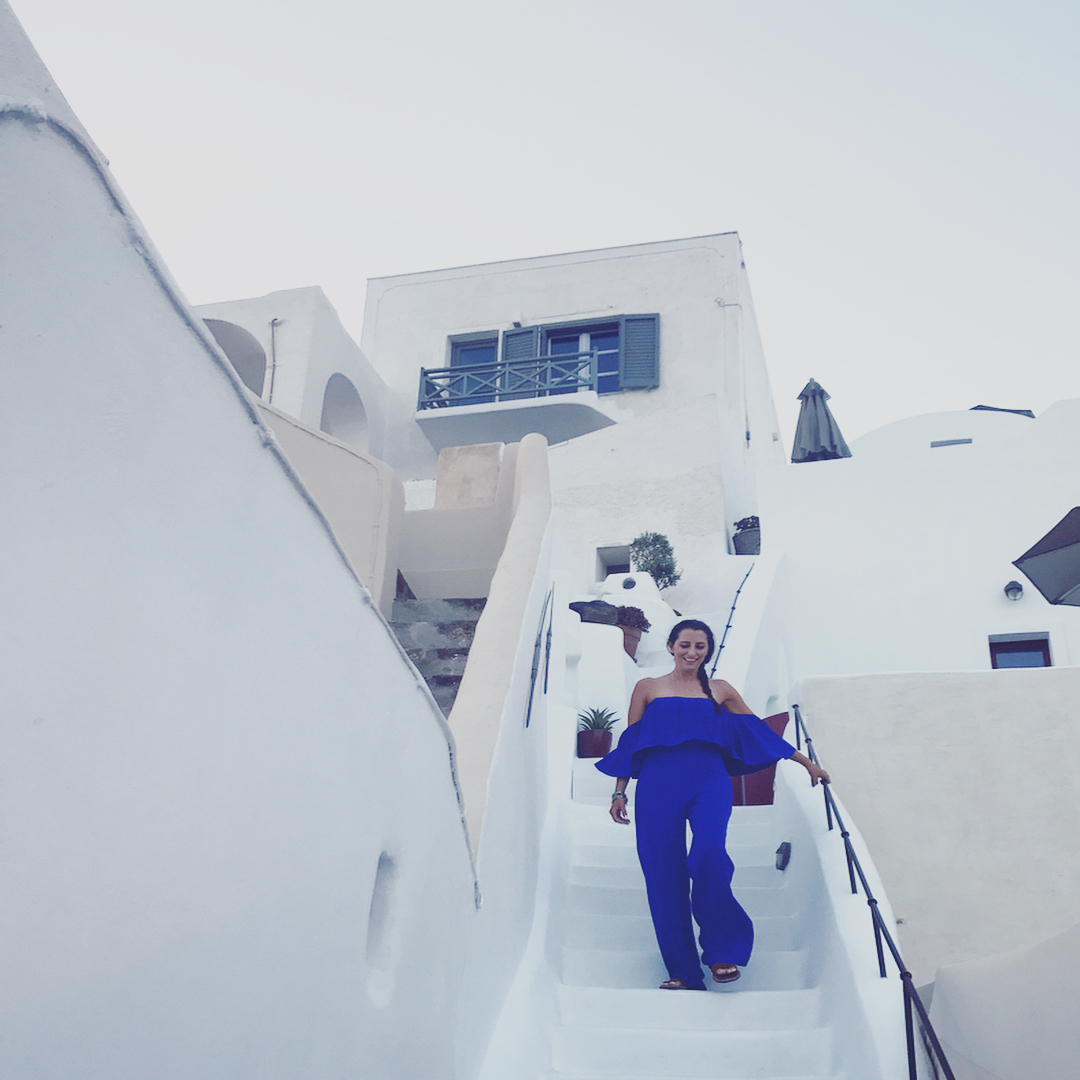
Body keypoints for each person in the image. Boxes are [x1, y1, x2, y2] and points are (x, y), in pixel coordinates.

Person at [595, 619, 829, 990]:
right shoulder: (648, 687)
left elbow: (758, 731)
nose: (692, 653)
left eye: (700, 647)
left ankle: (722, 951)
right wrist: (619, 792)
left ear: (708, 651)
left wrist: (805, 762)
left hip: (709, 780)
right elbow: (631, 743)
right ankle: (684, 972)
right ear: (671, 646)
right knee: (662, 873)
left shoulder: (720, 690)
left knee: (709, 853)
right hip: (657, 784)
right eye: (685, 645)